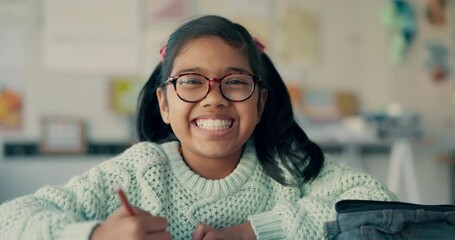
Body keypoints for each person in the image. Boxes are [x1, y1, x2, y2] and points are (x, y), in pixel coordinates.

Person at [0, 15, 396, 240]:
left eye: (235, 81)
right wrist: (98, 235)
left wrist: (252, 233)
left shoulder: (288, 166)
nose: (213, 98)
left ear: (260, 102)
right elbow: (11, 220)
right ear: (164, 104)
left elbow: (378, 207)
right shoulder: (138, 171)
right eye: (190, 81)